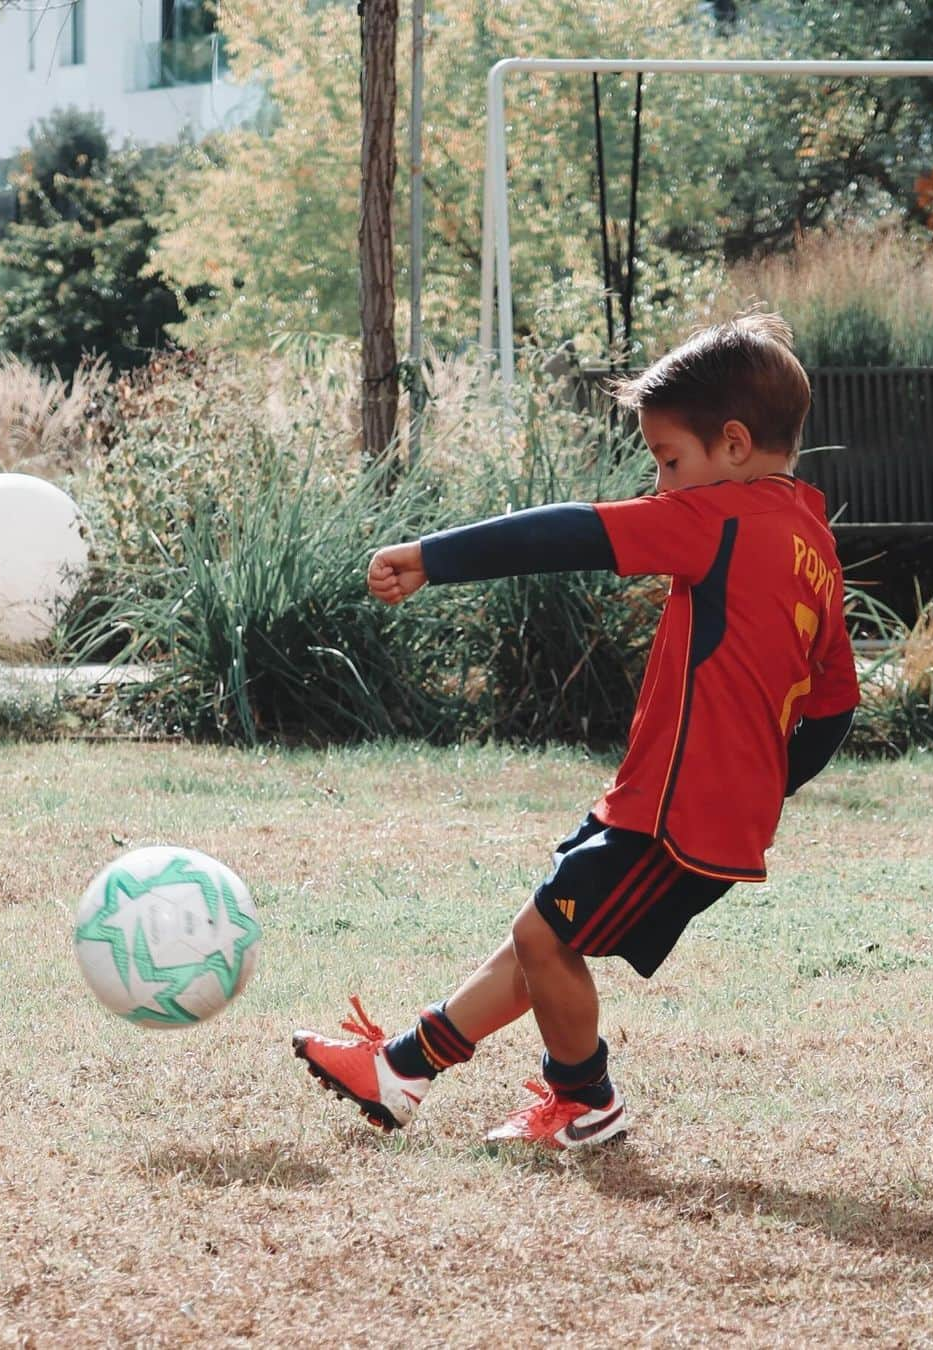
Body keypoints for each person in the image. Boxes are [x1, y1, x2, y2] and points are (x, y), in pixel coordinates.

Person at [293, 311, 859, 1148]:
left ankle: (586, 1103)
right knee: (538, 936)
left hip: (678, 813)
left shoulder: (723, 516)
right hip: (668, 801)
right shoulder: (812, 537)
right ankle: (401, 1070)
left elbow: (575, 531)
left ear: (734, 445)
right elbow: (835, 705)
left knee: (542, 936)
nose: (662, 485)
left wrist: (431, 555)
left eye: (669, 461)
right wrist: (763, 789)